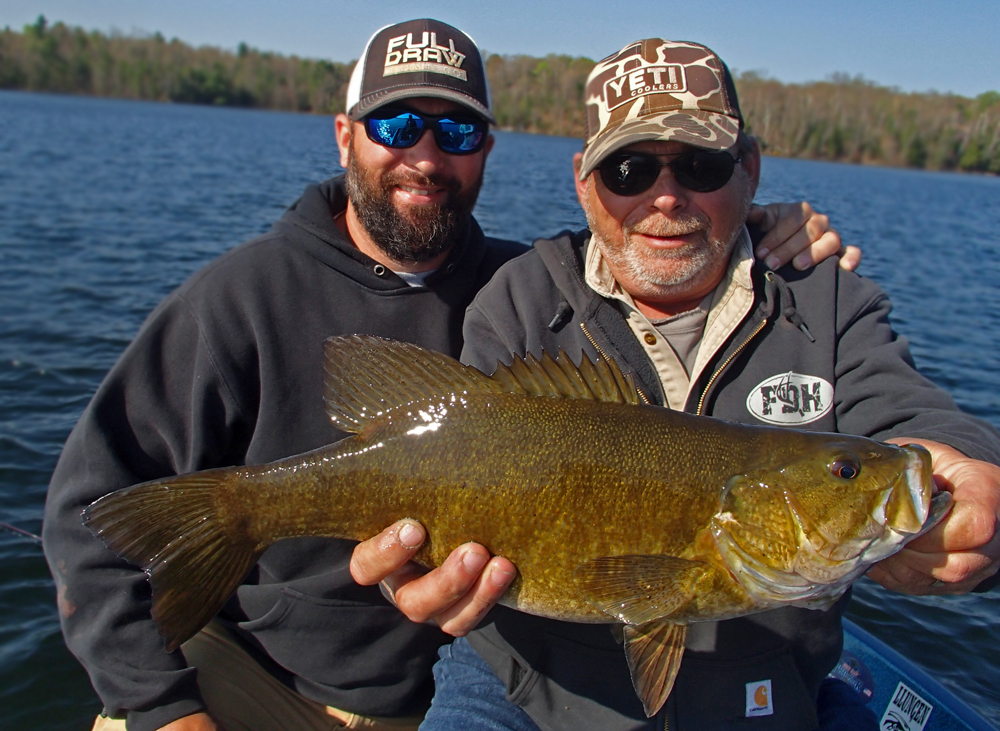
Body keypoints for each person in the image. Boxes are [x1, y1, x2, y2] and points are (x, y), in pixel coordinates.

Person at [42, 21, 852, 731]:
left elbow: (642, 240)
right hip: (252, 682)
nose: (425, 157)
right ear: (344, 135)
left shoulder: (524, 292)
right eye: (396, 123)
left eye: (457, 132)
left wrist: (761, 225)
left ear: (487, 150)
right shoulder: (237, 300)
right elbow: (90, 513)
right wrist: (162, 707)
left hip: (431, 699)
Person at [375, 38, 998, 731]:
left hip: (764, 694)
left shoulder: (828, 304)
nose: (665, 196)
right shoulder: (519, 300)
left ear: (750, 170)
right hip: (523, 688)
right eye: (630, 168)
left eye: (700, 165)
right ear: (584, 180)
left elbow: (909, 407)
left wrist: (967, 471)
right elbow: (450, 455)